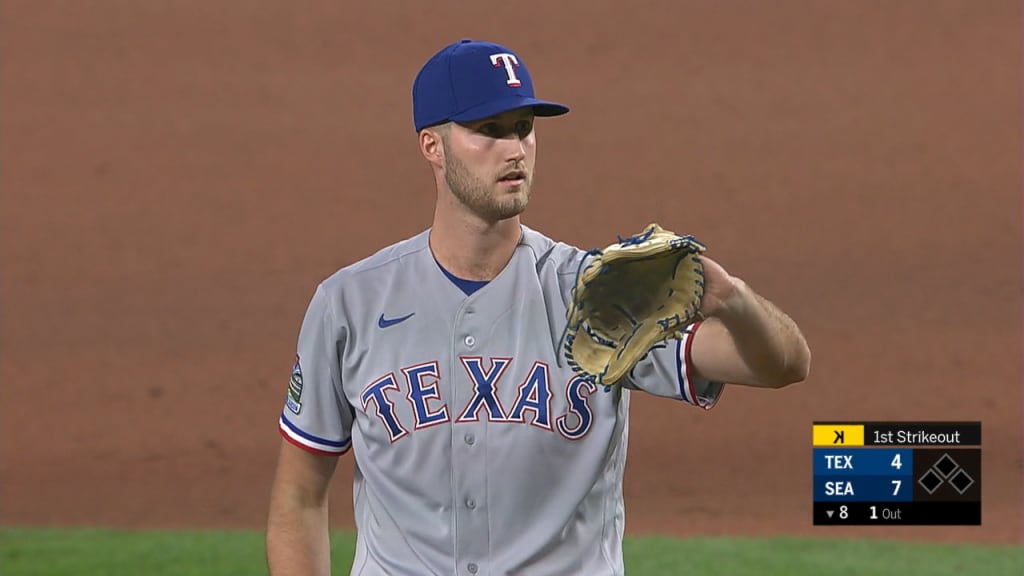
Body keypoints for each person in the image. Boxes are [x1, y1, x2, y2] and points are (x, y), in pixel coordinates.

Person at [266, 38, 811, 576]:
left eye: (524, 128)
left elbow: (783, 365)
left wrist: (733, 300)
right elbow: (299, 495)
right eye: (489, 131)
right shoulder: (350, 303)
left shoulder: (599, 295)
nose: (514, 149)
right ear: (432, 145)